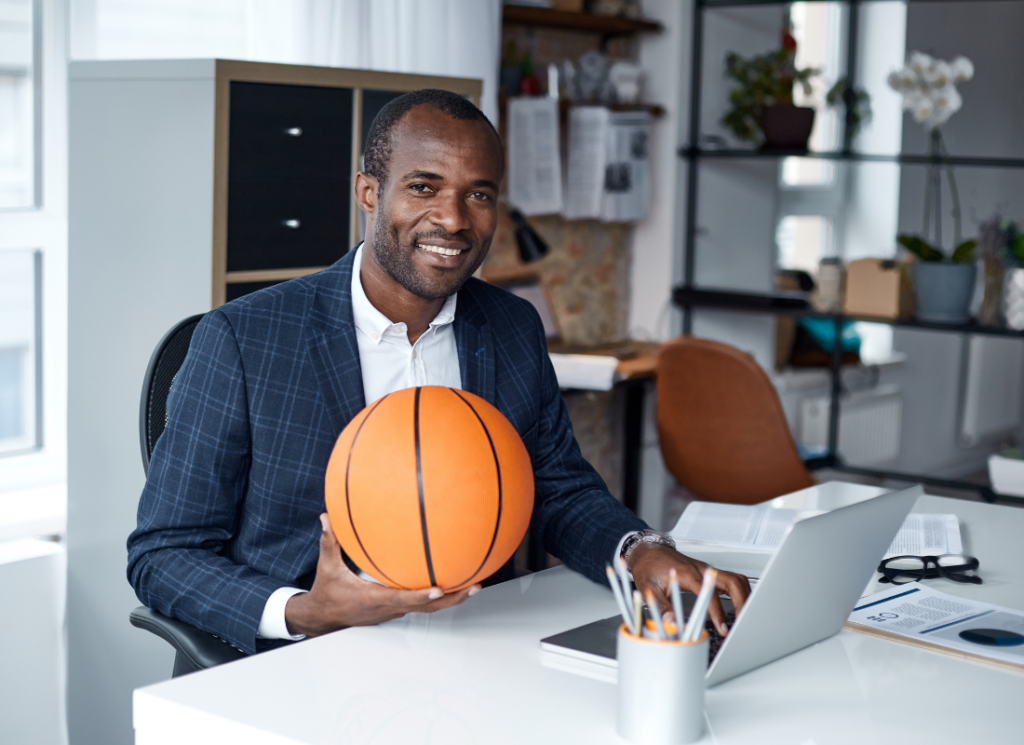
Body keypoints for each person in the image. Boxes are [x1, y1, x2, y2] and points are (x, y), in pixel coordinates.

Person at [127, 89, 750, 655]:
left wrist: (642, 552)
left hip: (476, 642)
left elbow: (558, 488)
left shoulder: (510, 327)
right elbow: (164, 555)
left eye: (478, 193)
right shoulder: (244, 339)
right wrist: (306, 611)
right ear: (369, 192)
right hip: (307, 659)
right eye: (423, 187)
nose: (453, 219)